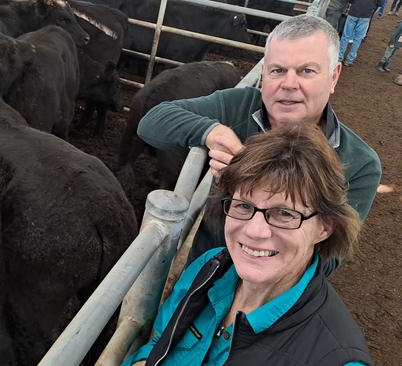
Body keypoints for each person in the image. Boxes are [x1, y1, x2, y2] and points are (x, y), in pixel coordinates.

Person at [136, 14, 381, 276]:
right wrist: (211, 131)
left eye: (306, 71)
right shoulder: (239, 106)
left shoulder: (360, 163)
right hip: (204, 273)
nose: (289, 84)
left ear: (334, 76)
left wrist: (245, 181)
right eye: (277, 70)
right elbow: (151, 121)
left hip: (272, 293)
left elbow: (328, 261)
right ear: (263, 72)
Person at [122, 125, 372, 366]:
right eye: (244, 206)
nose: (254, 231)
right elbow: (158, 345)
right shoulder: (209, 268)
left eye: (284, 213)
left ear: (325, 227)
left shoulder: (336, 358)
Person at [339, 0, 385, 66]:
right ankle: (349, 60)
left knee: (346, 36)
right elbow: (380, 5)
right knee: (358, 39)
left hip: (353, 12)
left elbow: (350, 1)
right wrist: (370, 13)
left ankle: (339, 57)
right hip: (366, 16)